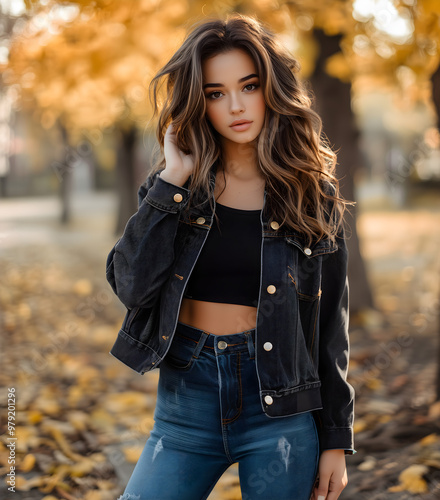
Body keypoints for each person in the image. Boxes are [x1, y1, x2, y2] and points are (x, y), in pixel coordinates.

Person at [105, 13, 356, 500]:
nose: (236, 106)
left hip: (281, 408)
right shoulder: (175, 189)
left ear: (271, 90)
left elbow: (330, 328)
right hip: (185, 405)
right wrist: (172, 180)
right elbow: (131, 287)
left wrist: (335, 441)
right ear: (200, 103)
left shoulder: (312, 195)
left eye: (249, 86)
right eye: (216, 93)